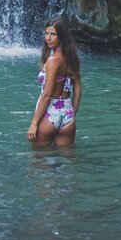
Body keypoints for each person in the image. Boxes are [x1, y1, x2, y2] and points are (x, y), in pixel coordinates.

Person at [27, 17, 81, 147]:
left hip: (50, 114)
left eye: (53, 34)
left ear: (61, 37)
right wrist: (71, 113)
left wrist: (34, 124)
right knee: (68, 161)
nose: (48, 38)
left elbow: (46, 95)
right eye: (46, 33)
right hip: (67, 115)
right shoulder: (72, 58)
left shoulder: (53, 61)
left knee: (38, 162)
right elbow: (78, 91)